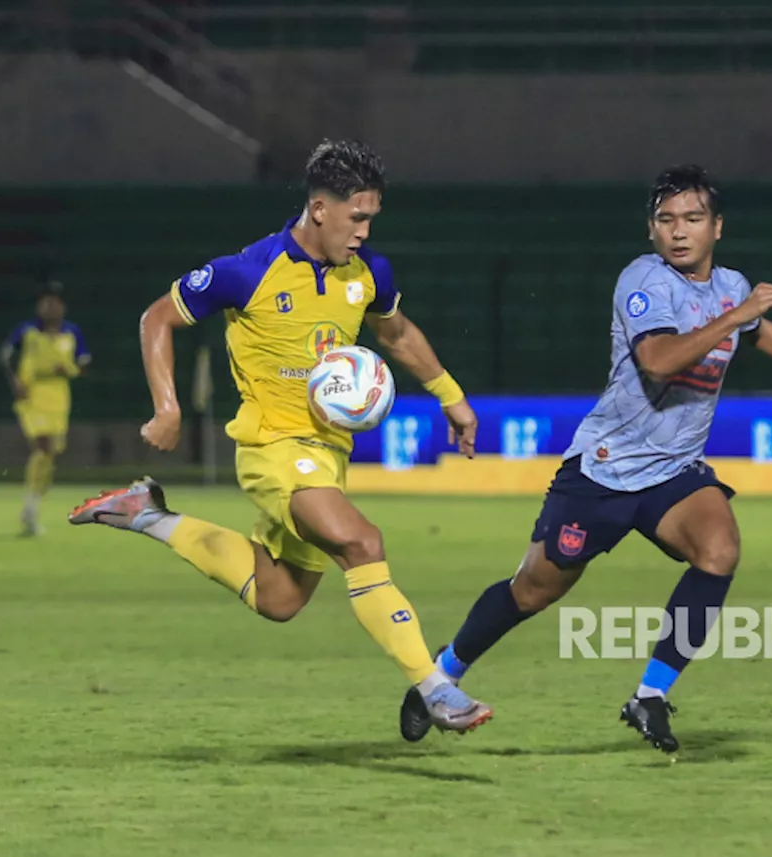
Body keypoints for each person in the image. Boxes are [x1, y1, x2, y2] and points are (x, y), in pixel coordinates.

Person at [399, 164, 772, 751]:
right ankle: (441, 674)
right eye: (666, 220)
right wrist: (734, 316)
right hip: (604, 471)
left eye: (693, 219)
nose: (679, 231)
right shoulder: (645, 282)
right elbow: (659, 360)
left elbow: (758, 331)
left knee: (720, 550)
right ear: (651, 231)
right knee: (533, 590)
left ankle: (650, 695)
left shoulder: (730, 286)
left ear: (717, 228)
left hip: (672, 474)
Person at [67, 139, 493, 733]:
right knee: (363, 543)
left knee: (280, 598)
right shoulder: (250, 270)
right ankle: (435, 687)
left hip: (326, 455)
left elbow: (394, 335)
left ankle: (147, 515)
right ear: (320, 209)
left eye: (372, 218)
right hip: (273, 449)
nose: (365, 232)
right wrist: (167, 408)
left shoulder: (369, 273)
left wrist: (452, 397)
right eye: (357, 217)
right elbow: (157, 316)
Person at [0, 281, 90, 536]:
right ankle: (30, 506)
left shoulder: (71, 332)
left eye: (55, 302)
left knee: (49, 455)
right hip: (32, 395)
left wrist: (71, 370)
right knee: (43, 445)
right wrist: (15, 380)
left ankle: (33, 506)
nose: (50, 307)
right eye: (46, 302)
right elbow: (5, 355)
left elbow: (84, 363)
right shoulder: (27, 331)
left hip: (59, 397)